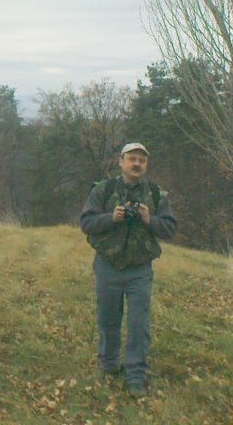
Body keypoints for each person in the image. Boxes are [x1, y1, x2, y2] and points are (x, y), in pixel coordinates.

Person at [80, 143, 177, 397]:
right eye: (132, 159)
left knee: (138, 324)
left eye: (141, 161)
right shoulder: (103, 190)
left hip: (139, 270)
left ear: (146, 165)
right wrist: (111, 218)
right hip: (107, 266)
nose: (137, 164)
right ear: (121, 162)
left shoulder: (156, 195)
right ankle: (109, 366)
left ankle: (136, 376)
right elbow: (86, 223)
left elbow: (169, 229)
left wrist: (149, 220)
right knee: (108, 319)